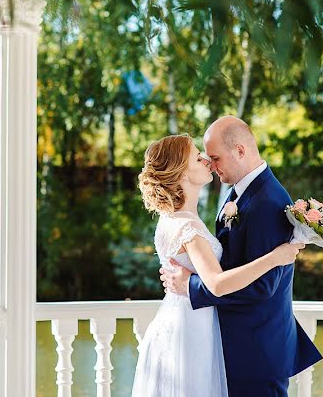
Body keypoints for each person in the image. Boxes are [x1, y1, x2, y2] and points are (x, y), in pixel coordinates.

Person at [131, 134, 305, 397]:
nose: (207, 161)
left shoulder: (173, 218)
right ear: (181, 172)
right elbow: (216, 283)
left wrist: (190, 282)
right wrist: (276, 257)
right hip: (190, 328)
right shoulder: (188, 226)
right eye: (197, 157)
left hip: (181, 320)